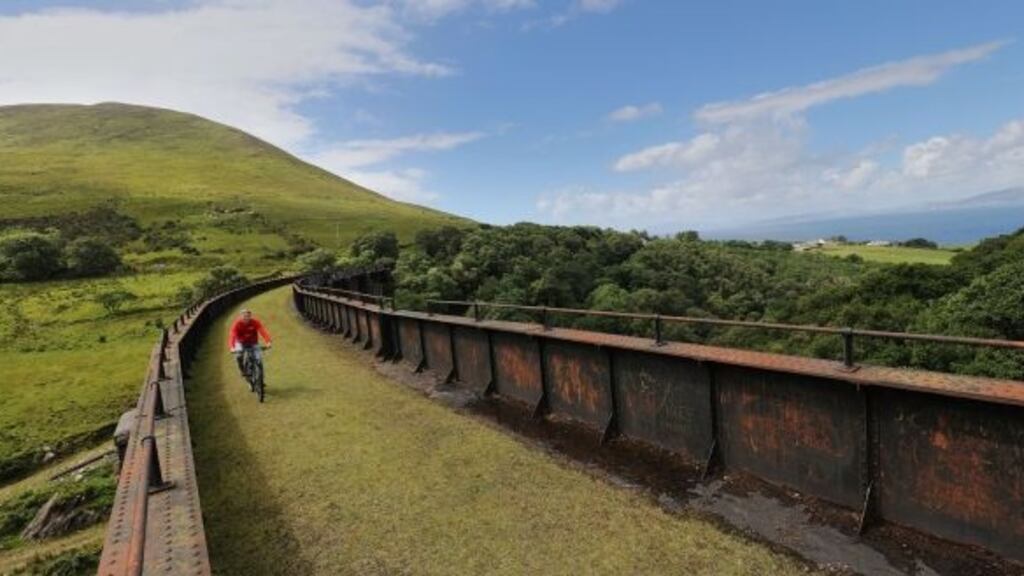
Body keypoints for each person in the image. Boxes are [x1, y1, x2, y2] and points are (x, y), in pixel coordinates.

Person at [228, 309, 272, 379]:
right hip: (240, 342)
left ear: (250, 316)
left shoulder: (255, 322)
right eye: (244, 316)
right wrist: (232, 347)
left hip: (253, 342)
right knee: (239, 356)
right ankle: (242, 370)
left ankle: (260, 378)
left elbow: (262, 331)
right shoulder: (237, 324)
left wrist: (268, 342)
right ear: (241, 317)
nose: (246, 318)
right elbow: (232, 335)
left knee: (258, 359)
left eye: (248, 316)